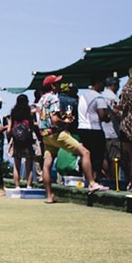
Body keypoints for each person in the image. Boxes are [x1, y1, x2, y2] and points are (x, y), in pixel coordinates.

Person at [37, 74, 104, 202]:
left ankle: (49, 196)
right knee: (85, 152)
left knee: (47, 165)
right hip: (57, 134)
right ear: (52, 86)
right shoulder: (54, 99)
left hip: (45, 135)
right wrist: (65, 121)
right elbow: (55, 120)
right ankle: (92, 183)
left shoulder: (41, 100)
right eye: (56, 83)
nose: (59, 85)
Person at [77, 76, 112, 183]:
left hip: (82, 127)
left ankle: (87, 177)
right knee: (98, 156)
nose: (104, 86)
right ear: (98, 82)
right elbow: (102, 116)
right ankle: (95, 178)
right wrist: (109, 116)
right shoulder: (99, 97)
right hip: (94, 128)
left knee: (86, 154)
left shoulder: (83, 96)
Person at [7, 94, 38, 189]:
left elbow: (9, 129)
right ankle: (29, 185)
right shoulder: (29, 113)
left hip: (17, 141)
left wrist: (9, 138)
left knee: (16, 165)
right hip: (28, 141)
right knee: (29, 165)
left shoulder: (13, 113)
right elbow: (32, 126)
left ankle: (17, 186)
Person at [101, 76, 122, 187]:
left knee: (105, 158)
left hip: (102, 131)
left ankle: (108, 178)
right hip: (112, 132)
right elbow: (116, 111)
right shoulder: (113, 97)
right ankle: (114, 181)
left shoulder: (100, 96)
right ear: (114, 86)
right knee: (115, 159)